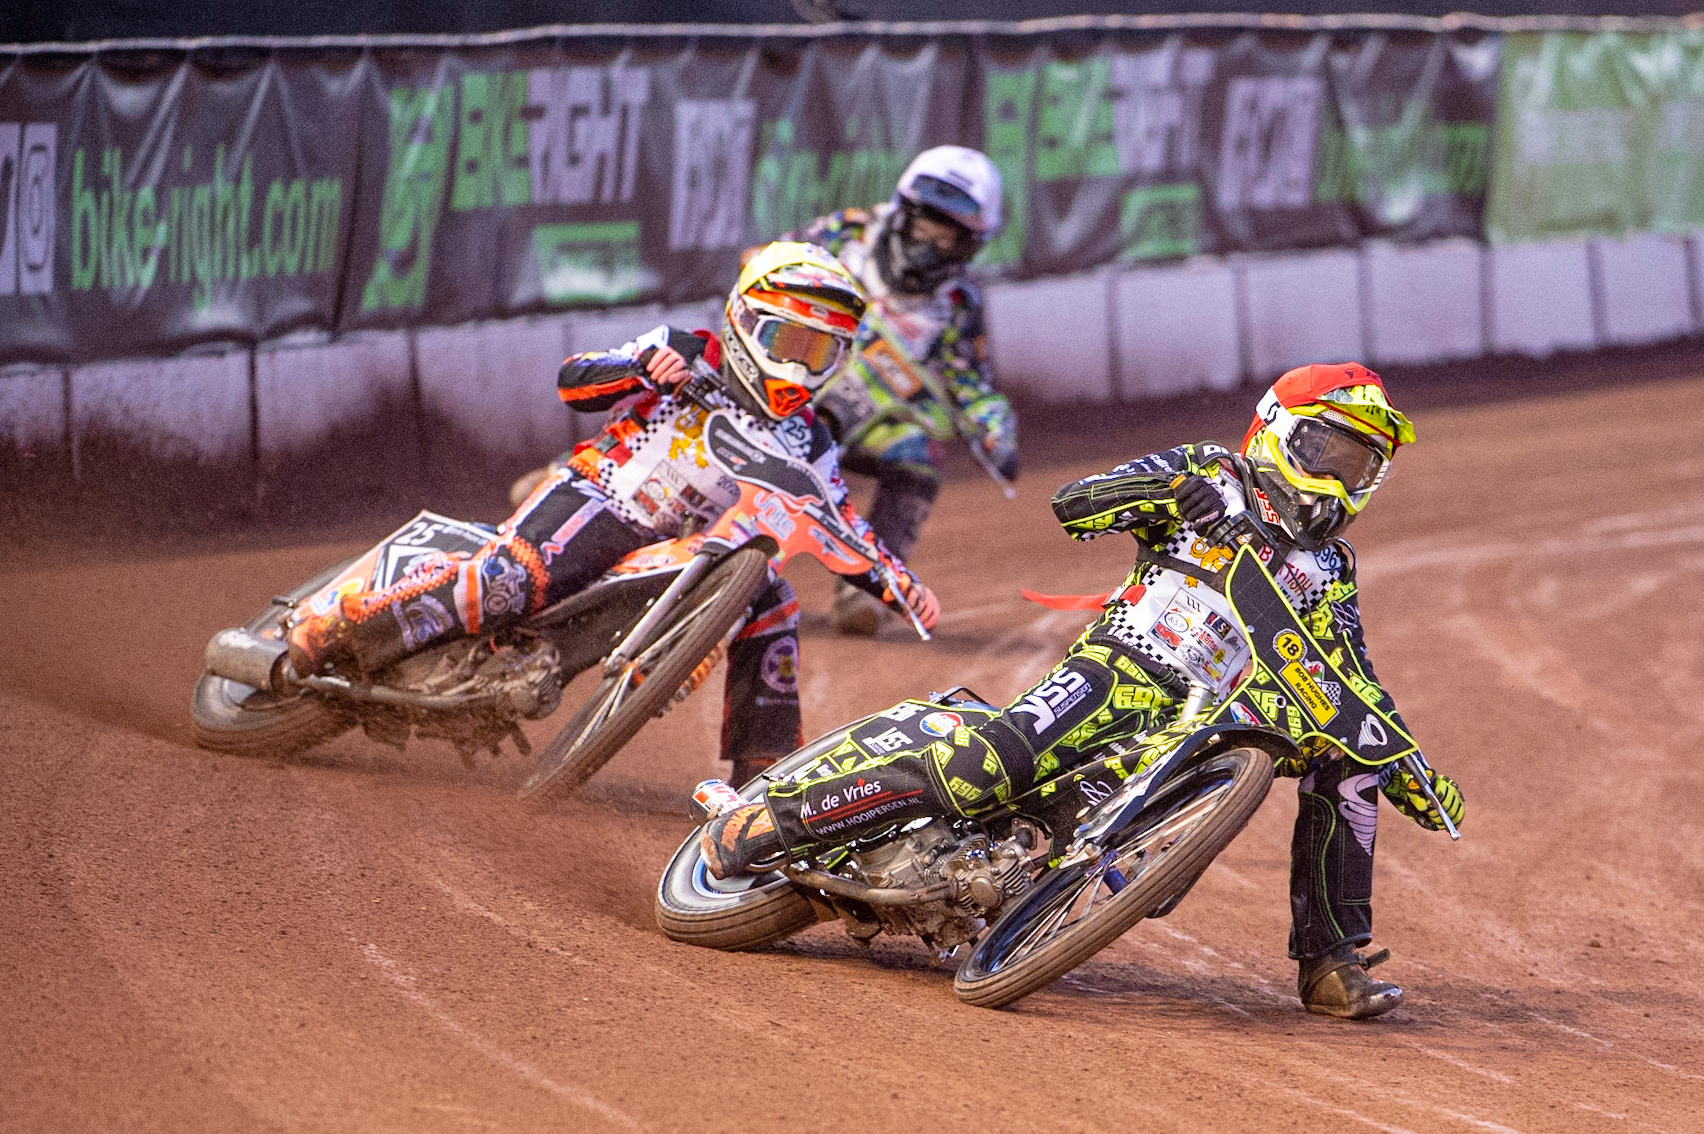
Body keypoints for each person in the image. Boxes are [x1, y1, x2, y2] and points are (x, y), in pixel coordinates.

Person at [701, 362, 1464, 1019]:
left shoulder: (1330, 570)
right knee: (987, 768)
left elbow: (1351, 673)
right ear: (1278, 432)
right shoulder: (1213, 473)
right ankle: (770, 823)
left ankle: (1332, 961)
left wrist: (1406, 761)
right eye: (1329, 451)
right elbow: (1076, 502)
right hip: (1121, 669)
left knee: (1347, 758)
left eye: (1359, 466)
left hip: (1213, 717)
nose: (1339, 478)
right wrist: (1170, 491)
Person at [286, 242, 939, 786]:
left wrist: (897, 582)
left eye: (818, 352)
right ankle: (346, 625)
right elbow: (575, 378)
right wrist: (640, 367)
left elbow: (839, 520)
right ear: (745, 320)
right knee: (511, 581)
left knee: (775, 603)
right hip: (601, 498)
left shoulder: (811, 440)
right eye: (787, 341)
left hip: (684, 551)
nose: (798, 365)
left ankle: (761, 780)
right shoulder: (692, 352)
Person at [781, 145, 1018, 635]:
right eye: (925, 225)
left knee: (919, 455)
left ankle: (866, 586)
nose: (929, 243)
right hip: (783, 386)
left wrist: (995, 428)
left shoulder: (957, 305)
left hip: (861, 420)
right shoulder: (848, 235)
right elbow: (770, 267)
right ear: (904, 212)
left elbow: (969, 382)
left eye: (947, 236)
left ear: (969, 245)